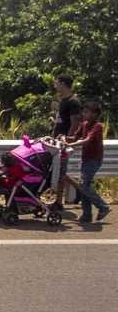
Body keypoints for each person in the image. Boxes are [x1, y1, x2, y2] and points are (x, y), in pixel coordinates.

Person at [60, 102, 110, 223]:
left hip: (94, 160)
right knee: (84, 186)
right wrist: (64, 138)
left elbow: (87, 140)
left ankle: (103, 206)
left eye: (87, 112)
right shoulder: (85, 124)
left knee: (83, 186)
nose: (84, 114)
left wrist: (70, 144)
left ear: (94, 114)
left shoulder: (97, 126)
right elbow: (75, 137)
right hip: (86, 159)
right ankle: (87, 215)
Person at [51, 74, 82, 210]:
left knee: (60, 170)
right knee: (59, 169)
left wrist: (67, 141)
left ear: (63, 84)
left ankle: (58, 202)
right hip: (58, 139)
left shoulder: (73, 102)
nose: (55, 85)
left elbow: (75, 123)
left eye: (57, 82)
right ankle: (79, 189)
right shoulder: (63, 101)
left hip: (64, 141)